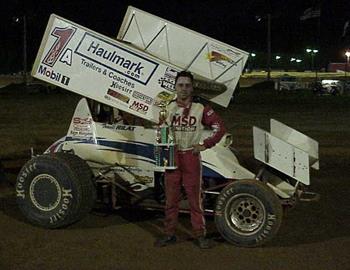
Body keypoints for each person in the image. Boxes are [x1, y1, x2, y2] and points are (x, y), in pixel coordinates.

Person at [154, 71, 226, 249]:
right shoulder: (167, 107)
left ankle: (200, 235)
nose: (184, 89)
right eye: (180, 85)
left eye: (187, 85)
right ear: (175, 87)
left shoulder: (201, 108)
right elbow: (162, 132)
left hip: (191, 156)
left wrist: (205, 144)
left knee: (195, 199)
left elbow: (220, 127)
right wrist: (163, 144)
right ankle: (169, 234)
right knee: (171, 199)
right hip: (172, 156)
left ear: (192, 87)